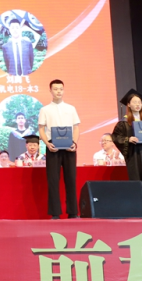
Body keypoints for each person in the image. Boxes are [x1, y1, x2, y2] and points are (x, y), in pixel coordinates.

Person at [111, 90, 142, 218]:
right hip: (134, 156)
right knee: (137, 183)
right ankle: (139, 211)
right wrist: (128, 139)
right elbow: (116, 137)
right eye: (134, 102)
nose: (138, 104)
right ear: (128, 104)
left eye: (139, 102)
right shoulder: (124, 122)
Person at [38, 79, 80, 219]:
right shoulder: (45, 110)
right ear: (50, 90)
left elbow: (76, 127)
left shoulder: (71, 108)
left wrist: (74, 143)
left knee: (71, 179)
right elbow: (41, 129)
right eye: (55, 89)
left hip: (69, 146)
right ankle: (55, 213)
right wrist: (47, 144)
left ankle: (73, 212)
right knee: (53, 180)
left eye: (61, 89)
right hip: (53, 146)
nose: (58, 91)